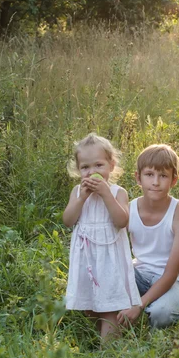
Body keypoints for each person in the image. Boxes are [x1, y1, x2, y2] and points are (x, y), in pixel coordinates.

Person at [63, 133, 141, 340]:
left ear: (111, 166)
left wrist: (106, 194)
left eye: (98, 165)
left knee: (110, 302)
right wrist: (82, 198)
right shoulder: (77, 192)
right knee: (89, 303)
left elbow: (121, 221)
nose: (92, 172)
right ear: (78, 170)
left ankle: (108, 349)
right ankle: (100, 332)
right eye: (85, 167)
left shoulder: (118, 192)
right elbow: (68, 220)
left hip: (110, 258)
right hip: (87, 258)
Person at [117, 144, 179, 329]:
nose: (156, 182)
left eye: (163, 176)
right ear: (138, 178)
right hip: (140, 273)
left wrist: (139, 304)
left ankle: (161, 304)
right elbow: (113, 250)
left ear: (174, 180)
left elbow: (171, 273)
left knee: (162, 314)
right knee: (106, 283)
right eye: (149, 174)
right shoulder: (129, 210)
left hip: (174, 279)